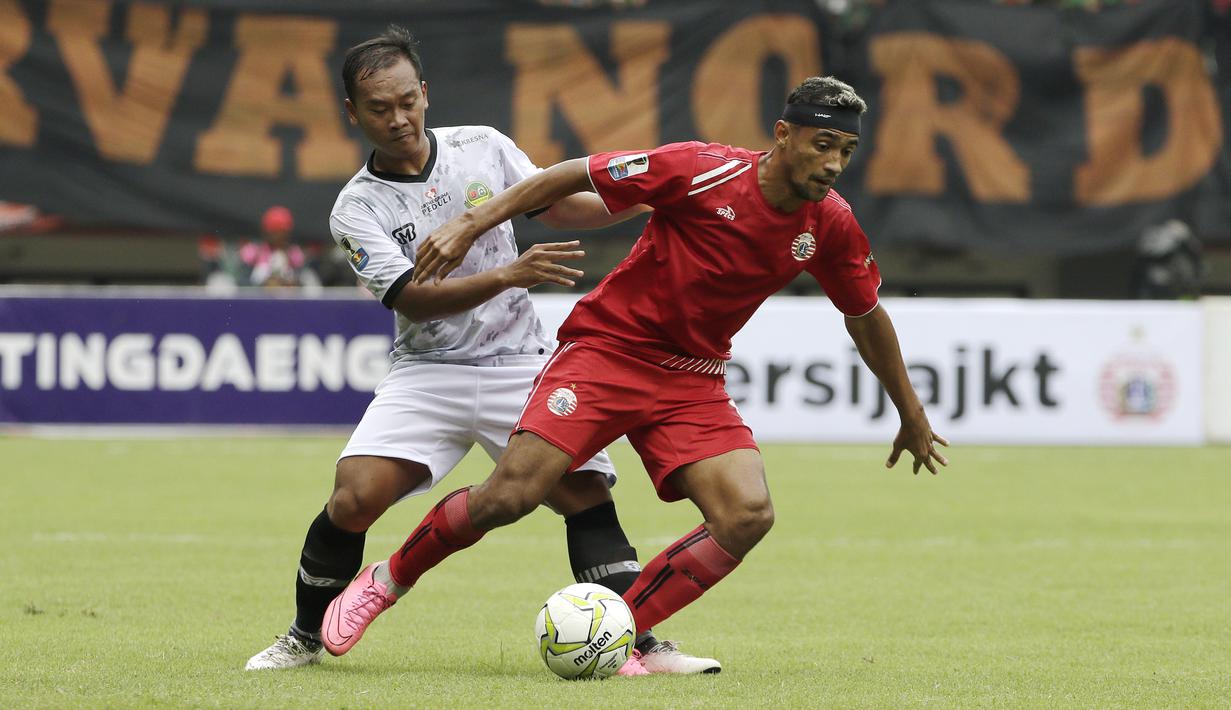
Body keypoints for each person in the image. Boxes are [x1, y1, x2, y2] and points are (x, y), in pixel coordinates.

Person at [323, 74, 950, 670]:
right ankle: (390, 577)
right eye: (823, 145)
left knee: (747, 513)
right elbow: (572, 175)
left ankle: (619, 640)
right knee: (511, 497)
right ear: (783, 135)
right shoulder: (703, 169)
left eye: (846, 150)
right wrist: (469, 222)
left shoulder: (831, 222)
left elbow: (865, 314)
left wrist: (911, 411)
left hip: (692, 378)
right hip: (607, 352)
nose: (835, 163)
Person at [245, 25, 717, 675]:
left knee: (583, 490)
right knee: (353, 497)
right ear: (352, 114)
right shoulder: (357, 207)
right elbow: (411, 297)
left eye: (407, 100)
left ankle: (639, 642)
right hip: (428, 371)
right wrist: (508, 274)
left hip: (519, 361)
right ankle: (303, 635)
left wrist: (648, 200)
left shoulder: (483, 149)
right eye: (378, 108)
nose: (398, 118)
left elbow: (560, 206)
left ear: (425, 93)